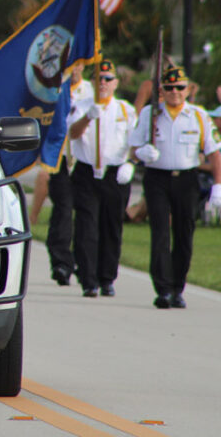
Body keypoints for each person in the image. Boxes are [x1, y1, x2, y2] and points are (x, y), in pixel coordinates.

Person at [130, 66, 221, 309]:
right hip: (157, 178)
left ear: (187, 90)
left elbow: (214, 153)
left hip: (186, 179)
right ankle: (162, 289)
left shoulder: (198, 115)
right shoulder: (151, 113)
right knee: (160, 232)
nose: (175, 92)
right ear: (161, 90)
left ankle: (177, 287)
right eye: (169, 88)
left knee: (184, 233)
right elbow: (133, 148)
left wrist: (219, 185)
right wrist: (141, 153)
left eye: (180, 87)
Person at [66, 60, 137, 298]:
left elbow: (134, 142)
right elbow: (73, 133)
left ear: (116, 83)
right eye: (99, 79)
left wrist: (130, 163)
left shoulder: (126, 110)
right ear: (93, 82)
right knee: (87, 226)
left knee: (111, 226)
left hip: (115, 174)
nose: (103, 83)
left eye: (108, 79)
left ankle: (107, 278)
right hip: (86, 172)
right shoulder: (80, 105)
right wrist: (88, 117)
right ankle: (88, 280)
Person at [31, 63, 93, 286]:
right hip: (61, 159)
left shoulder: (91, 92)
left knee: (87, 214)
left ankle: (87, 264)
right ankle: (61, 263)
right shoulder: (53, 92)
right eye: (69, 66)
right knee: (63, 209)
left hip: (86, 161)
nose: (73, 70)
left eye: (77, 66)